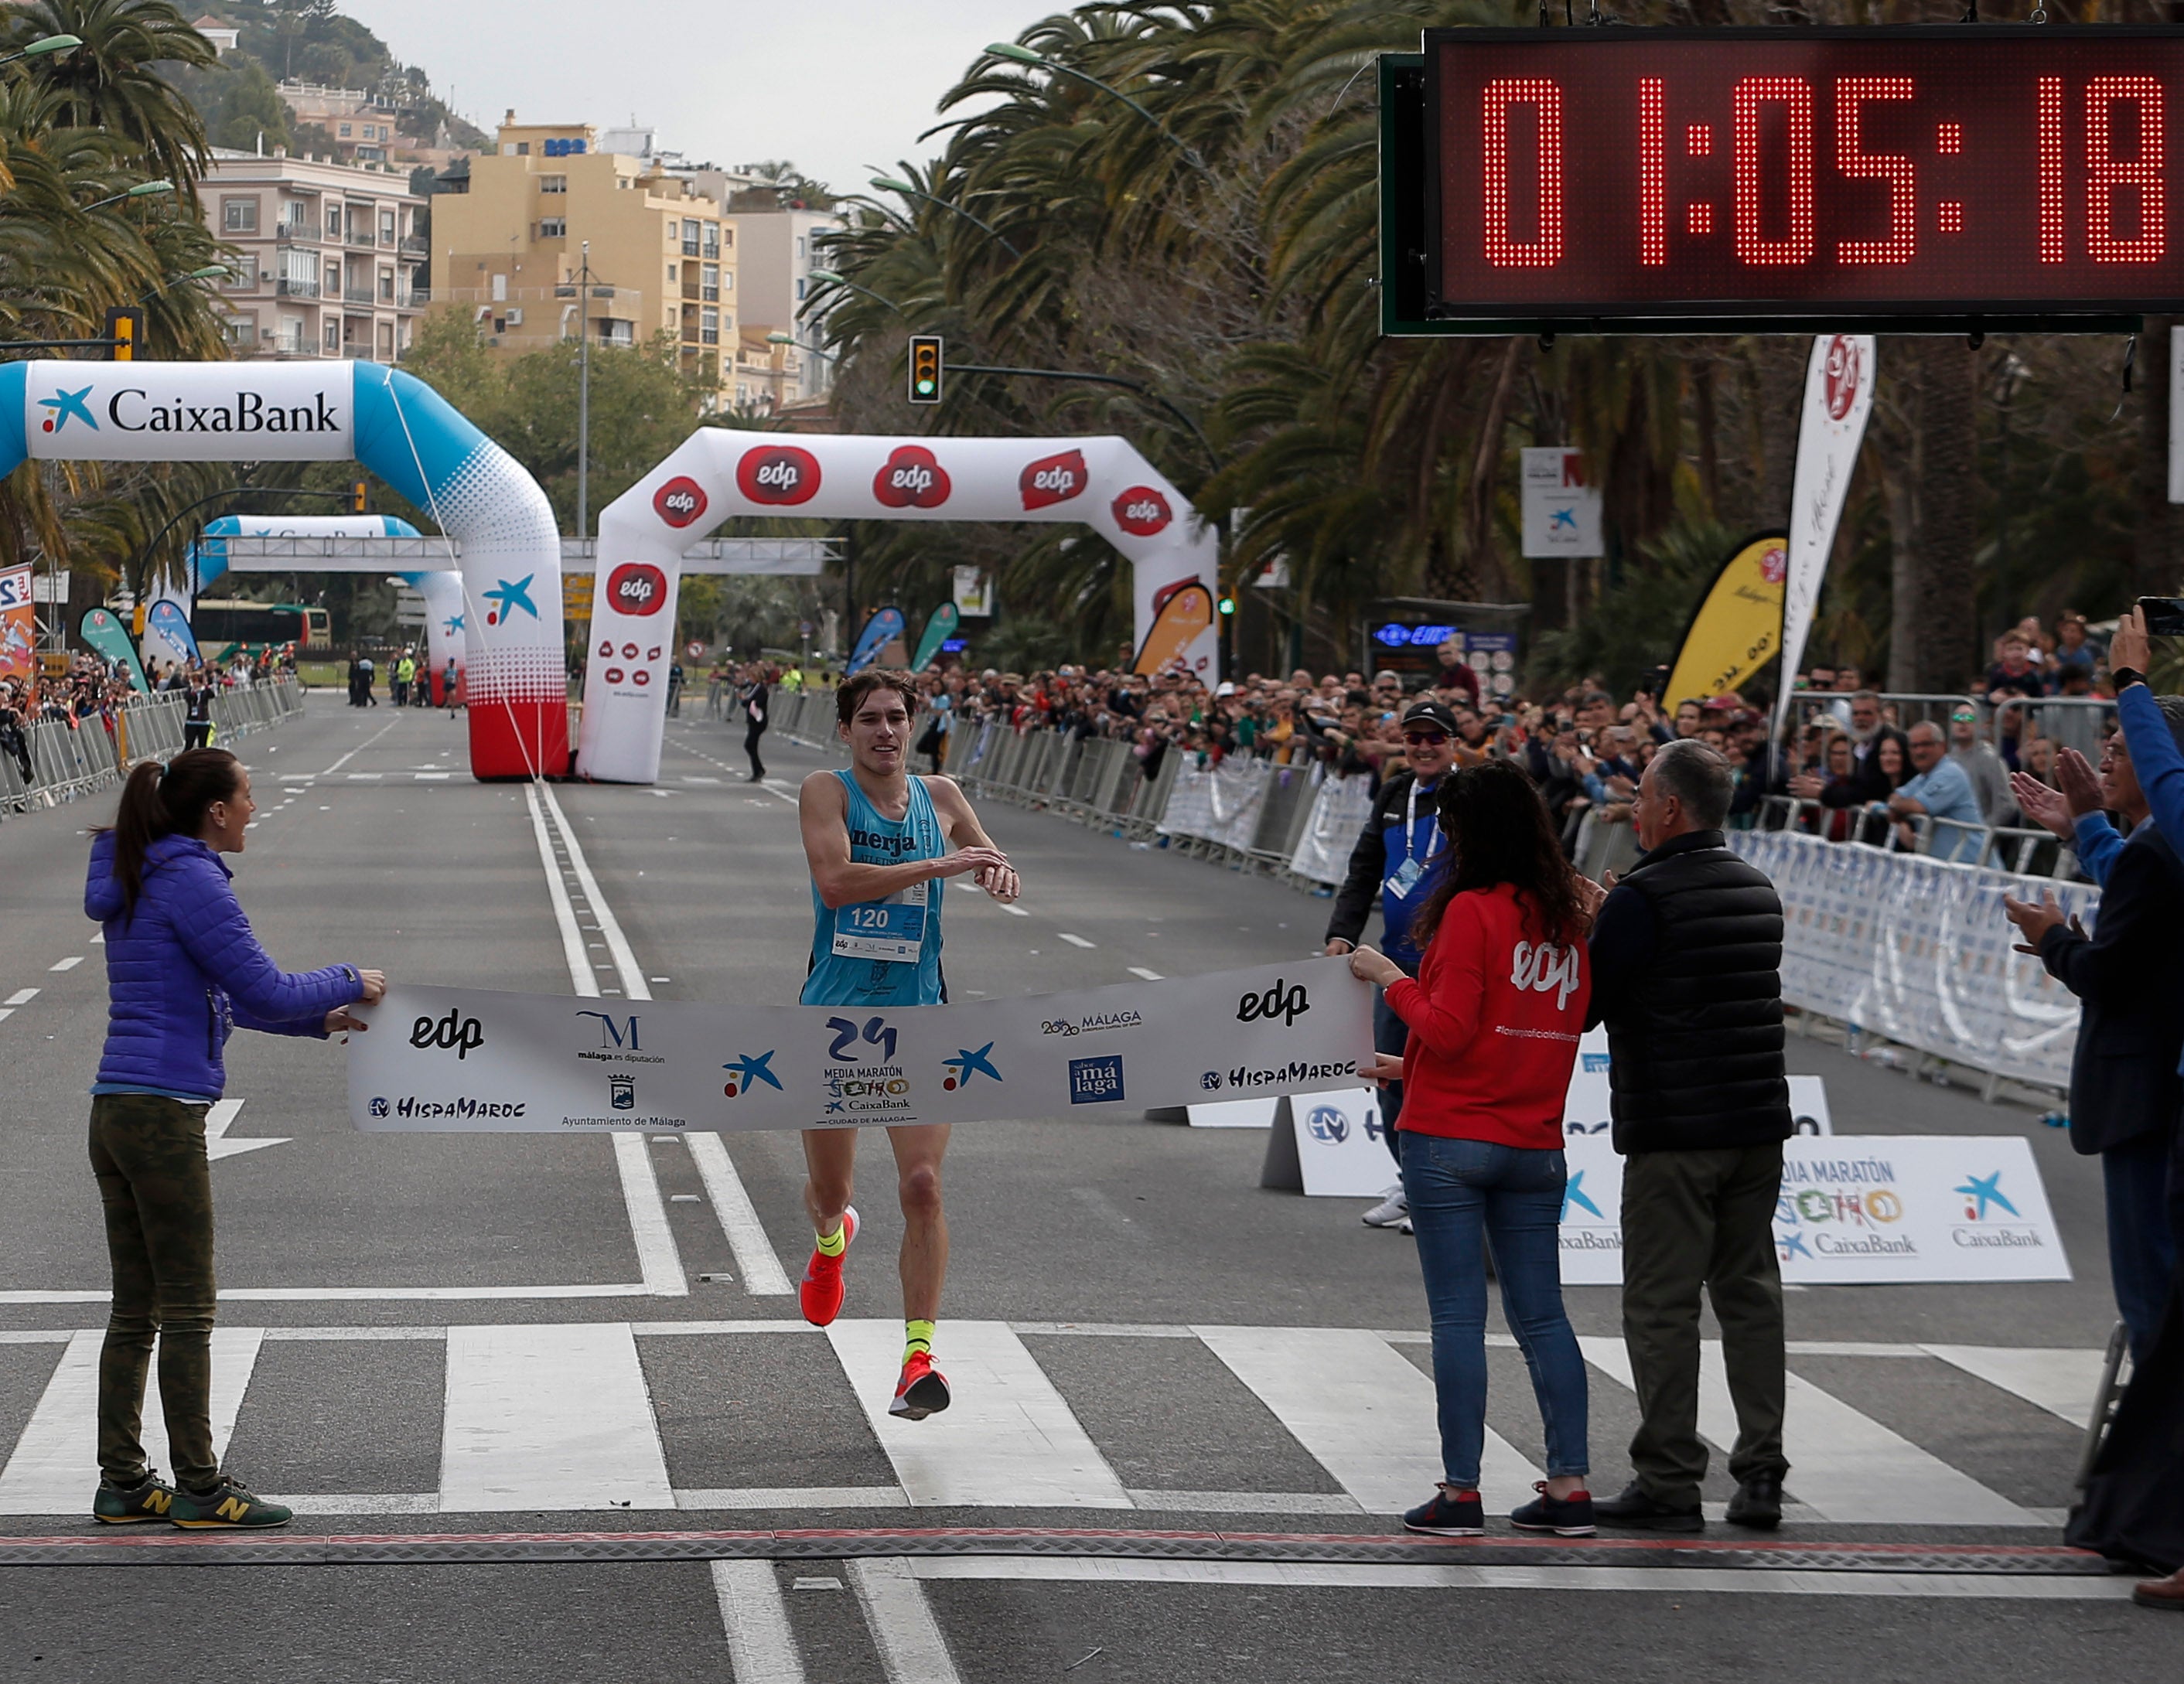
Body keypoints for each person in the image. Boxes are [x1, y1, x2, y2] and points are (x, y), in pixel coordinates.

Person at [84, 749, 381, 1529]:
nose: (254, 806)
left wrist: (317, 1023)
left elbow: (219, 995)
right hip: (163, 1113)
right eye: (248, 795)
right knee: (188, 1309)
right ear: (215, 811)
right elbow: (261, 984)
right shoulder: (192, 878)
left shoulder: (141, 872)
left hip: (115, 1109)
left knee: (134, 1308)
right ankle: (201, 1489)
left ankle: (122, 1481)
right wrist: (352, 979)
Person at [1346, 761, 1595, 1539]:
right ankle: (1569, 1486)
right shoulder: (1566, 919)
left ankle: (1460, 1492)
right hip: (1534, 1138)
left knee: (1458, 1315)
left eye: (1450, 829)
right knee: (1542, 1317)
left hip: (1450, 1137)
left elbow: (1450, 1029)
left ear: (1468, 834)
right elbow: (1542, 1027)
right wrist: (1401, 1063)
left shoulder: (1472, 912)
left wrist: (1388, 975)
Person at [795, 670, 1022, 1420]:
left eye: (897, 718)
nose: (886, 731)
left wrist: (997, 870)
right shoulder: (824, 793)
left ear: (913, 724)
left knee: (922, 1186)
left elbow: (988, 858)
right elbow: (834, 883)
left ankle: (917, 1356)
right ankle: (832, 1244)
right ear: (846, 731)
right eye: (870, 720)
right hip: (834, 1019)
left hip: (922, 1018)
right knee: (832, 1194)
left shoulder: (943, 797)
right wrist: (938, 865)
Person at [1585, 740, 1793, 1533]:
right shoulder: (1756, 887)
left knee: (1662, 1305)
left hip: (1675, 1129)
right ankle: (1762, 1472)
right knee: (1749, 1297)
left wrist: (1595, 927)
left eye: (1640, 796)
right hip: (1754, 1125)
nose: (1631, 809)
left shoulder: (1645, 896)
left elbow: (1585, 1008)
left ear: (1670, 807)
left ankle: (1669, 1474)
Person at [2005, 709, 2184, 1363]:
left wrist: (2051, 938)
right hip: (2163, 1078)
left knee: (2148, 1282)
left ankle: (2156, 1449)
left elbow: (2109, 976)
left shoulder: (2153, 848)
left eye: (2121, 751)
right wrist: (2084, 831)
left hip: (2142, 1089)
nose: (2104, 762)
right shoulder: (2157, 845)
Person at [1323, 700, 1464, 1231]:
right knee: (1388, 1075)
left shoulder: (1469, 797)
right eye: (1414, 739)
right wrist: (1342, 932)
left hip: (1450, 966)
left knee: (1441, 1077)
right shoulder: (1393, 794)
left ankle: (1438, 1190)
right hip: (1393, 967)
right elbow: (1364, 870)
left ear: (1453, 744)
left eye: (1435, 738)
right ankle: (1411, 1183)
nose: (1424, 747)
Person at [1880, 721, 1985, 859]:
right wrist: (1900, 818)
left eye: (1926, 744)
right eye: (1914, 746)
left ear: (1942, 746)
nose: (1919, 751)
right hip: (1948, 870)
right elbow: (1895, 797)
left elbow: (1917, 806)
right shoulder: (1923, 777)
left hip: (1975, 871)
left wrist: (1896, 811)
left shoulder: (1950, 773)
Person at [1948, 705, 2013, 828]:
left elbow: (2007, 804)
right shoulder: (1950, 758)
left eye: (1969, 718)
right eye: (1957, 718)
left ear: (1981, 725)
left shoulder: (1989, 758)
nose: (1963, 722)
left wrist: (1982, 829)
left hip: (1978, 836)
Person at [739, 665, 771, 782]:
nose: (749, 679)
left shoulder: (761, 688)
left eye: (751, 676)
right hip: (752, 720)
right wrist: (744, 700)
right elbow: (746, 703)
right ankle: (758, 770)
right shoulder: (753, 688)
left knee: (750, 744)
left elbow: (758, 702)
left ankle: (758, 770)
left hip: (758, 720)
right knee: (751, 745)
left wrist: (747, 700)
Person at [181, 678, 213, 752]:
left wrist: (206, 686)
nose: (195, 684)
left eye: (197, 682)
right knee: (189, 745)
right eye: (194, 682)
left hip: (204, 722)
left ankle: (202, 761)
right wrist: (191, 689)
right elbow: (187, 697)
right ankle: (183, 761)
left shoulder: (205, 691)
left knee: (202, 746)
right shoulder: (190, 692)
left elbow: (212, 695)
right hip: (191, 722)